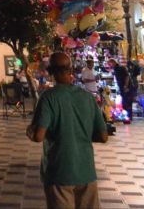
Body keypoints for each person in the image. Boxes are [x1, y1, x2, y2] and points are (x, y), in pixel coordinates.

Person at [27, 52, 108, 209]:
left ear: (51, 72)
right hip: (86, 171)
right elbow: (103, 136)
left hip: (59, 172)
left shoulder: (48, 98)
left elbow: (38, 136)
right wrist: (80, 134)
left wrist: (29, 131)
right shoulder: (87, 98)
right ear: (71, 70)